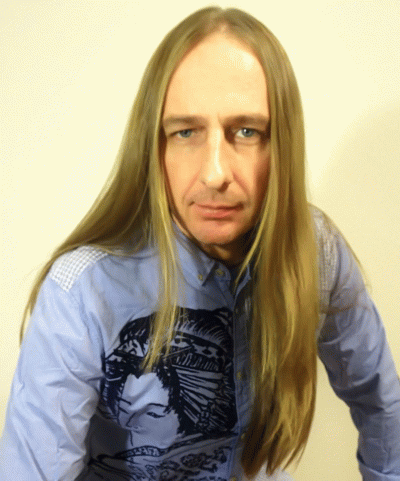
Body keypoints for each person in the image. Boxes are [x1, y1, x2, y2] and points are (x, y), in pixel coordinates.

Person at [1, 6, 399, 481]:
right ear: (155, 147)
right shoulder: (82, 290)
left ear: (282, 145)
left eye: (247, 132)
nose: (214, 174)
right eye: (185, 132)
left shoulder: (317, 251)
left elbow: (382, 404)